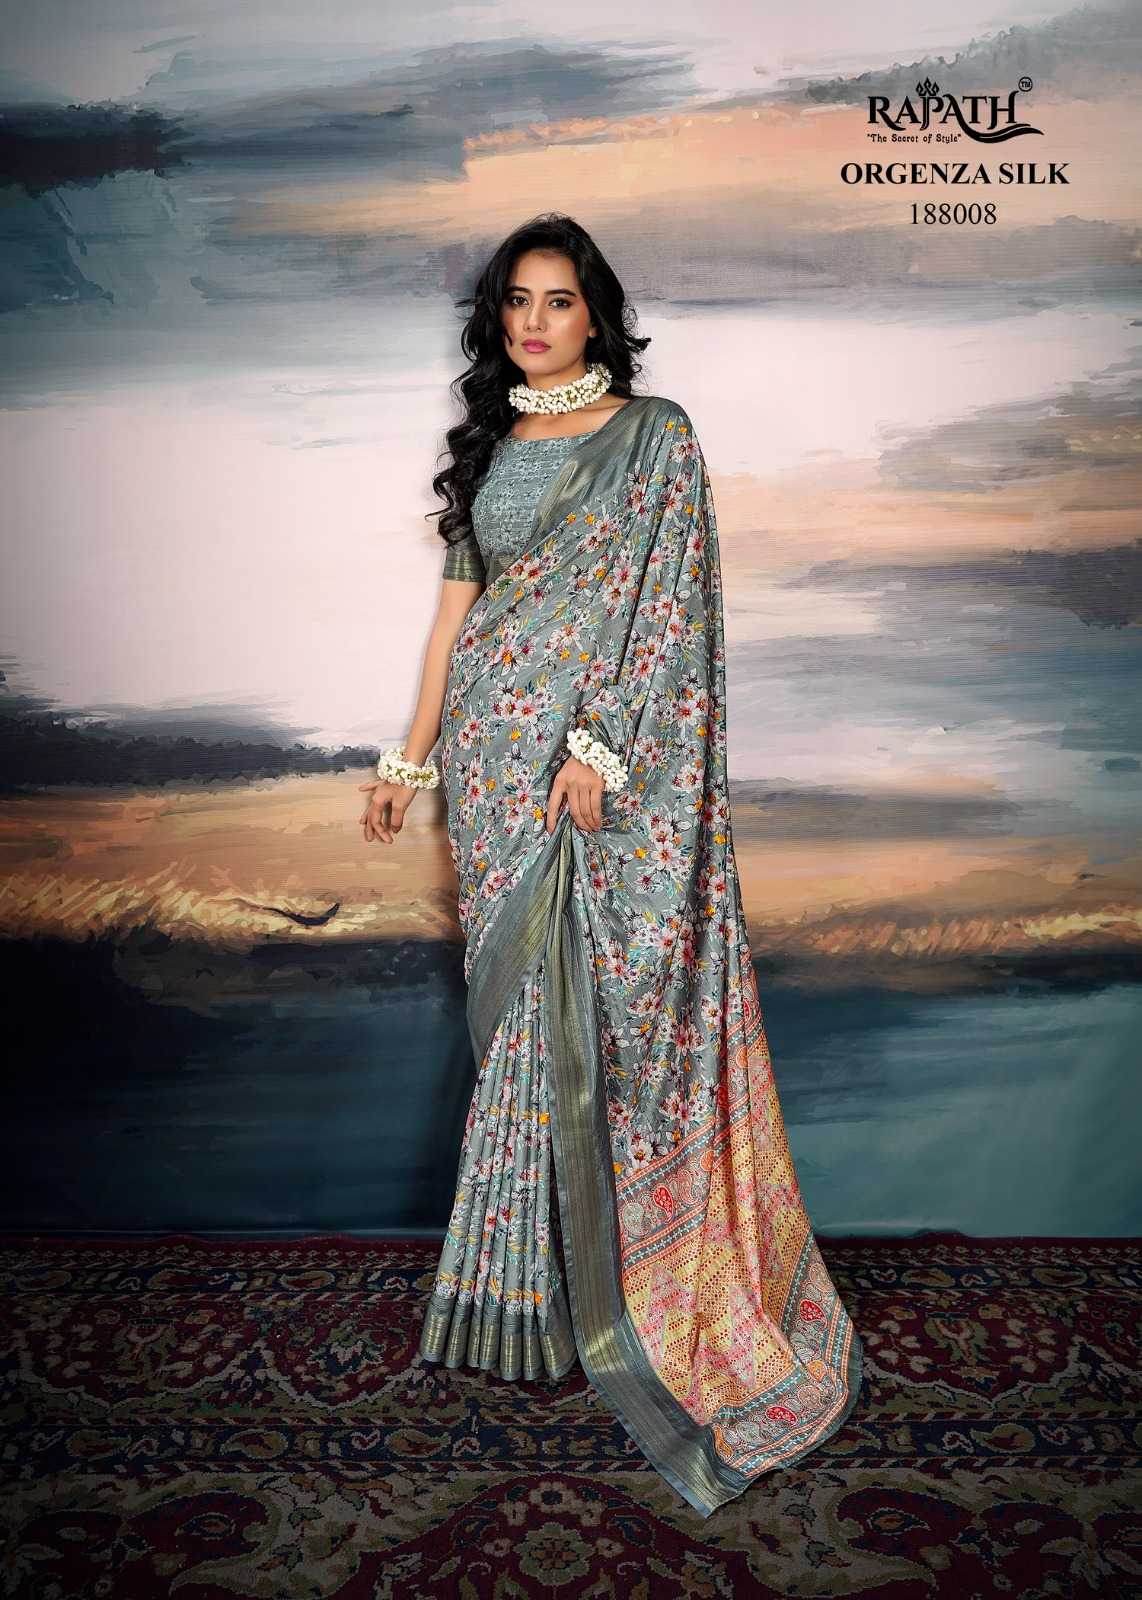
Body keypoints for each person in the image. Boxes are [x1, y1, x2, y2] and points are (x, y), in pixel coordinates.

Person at [357, 213, 862, 1518]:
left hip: (585, 768)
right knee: (518, 1020)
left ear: (598, 315)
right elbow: (455, 621)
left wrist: (599, 744)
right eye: (516, 302)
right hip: (489, 764)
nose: (534, 323)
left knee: (581, 1013)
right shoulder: (489, 447)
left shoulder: (653, 439)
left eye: (559, 301)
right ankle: (517, 1295)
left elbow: (666, 616)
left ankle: (594, 1291)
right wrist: (409, 758)